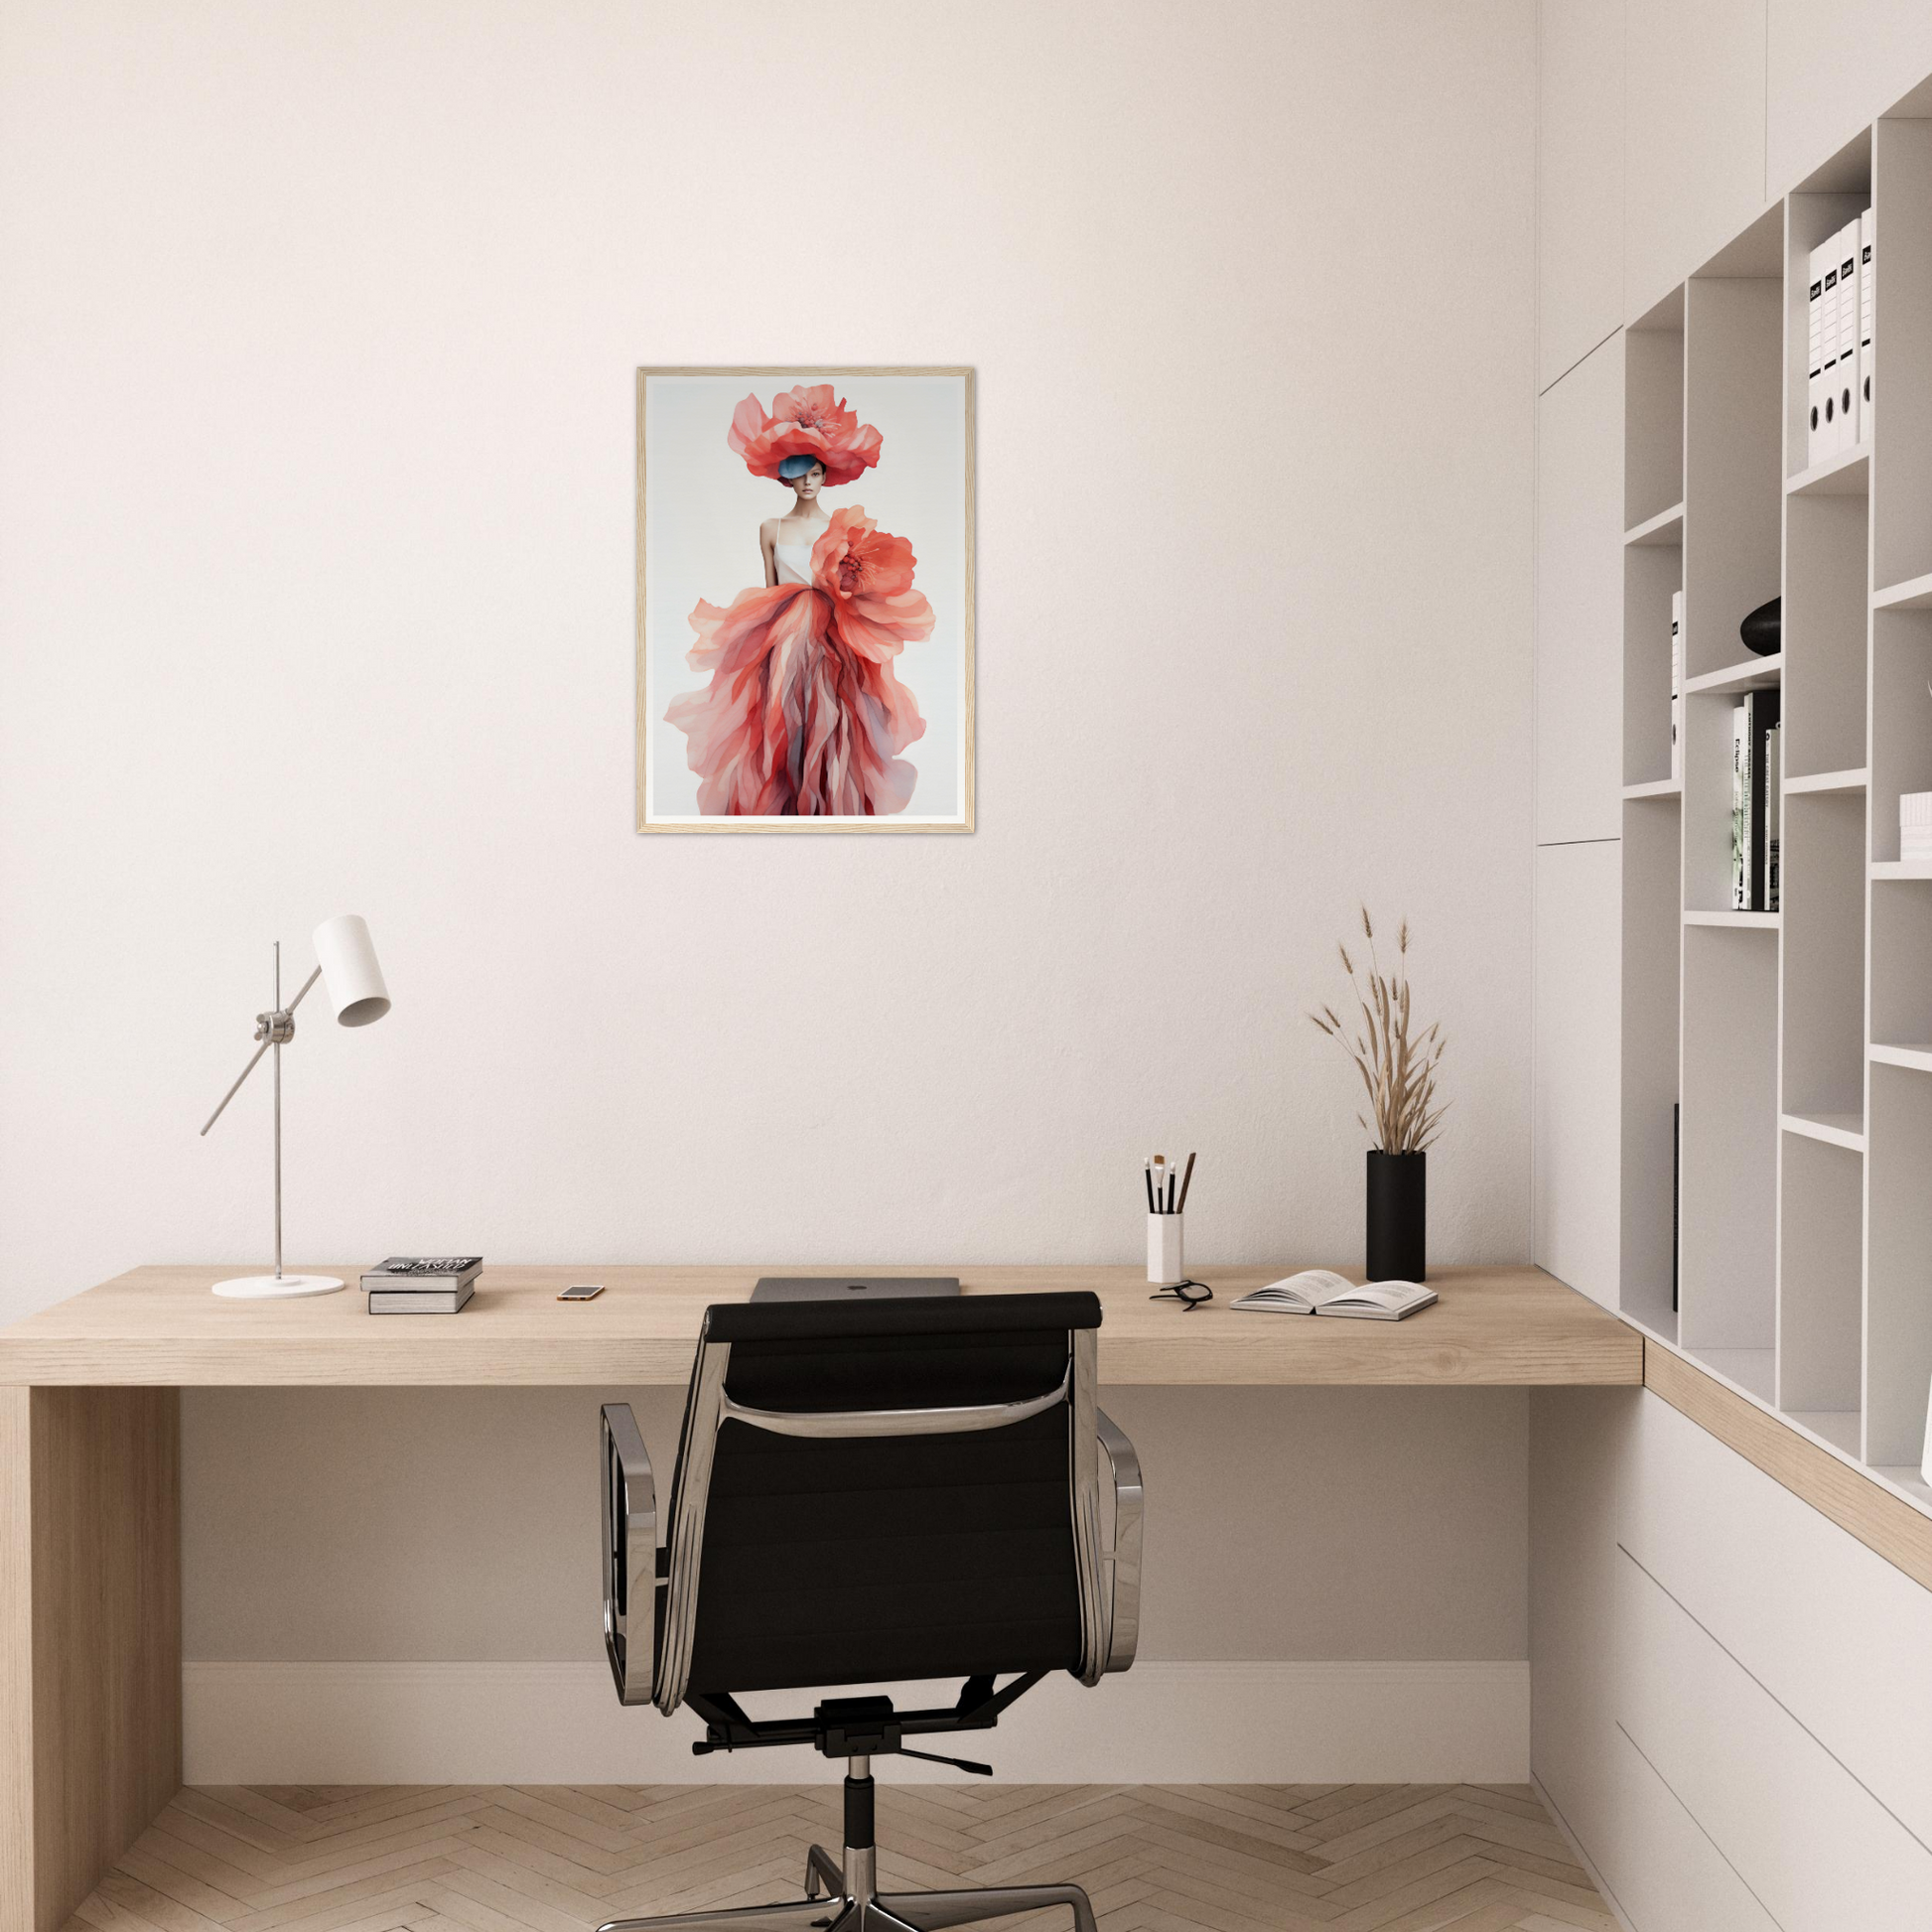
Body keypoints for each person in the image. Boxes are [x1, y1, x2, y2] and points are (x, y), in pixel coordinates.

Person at [666, 385, 933, 817]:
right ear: (786, 478)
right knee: (779, 718)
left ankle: (826, 804)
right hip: (783, 629)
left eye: (814, 474)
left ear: (824, 476)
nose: (807, 483)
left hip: (831, 632)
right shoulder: (770, 528)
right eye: (799, 474)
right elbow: (769, 588)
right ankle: (786, 805)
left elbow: (848, 587)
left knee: (834, 716)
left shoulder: (841, 528)